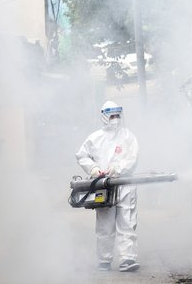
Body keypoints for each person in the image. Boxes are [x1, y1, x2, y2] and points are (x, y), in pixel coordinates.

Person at [75, 101, 140, 272]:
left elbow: (133, 158)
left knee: (127, 221)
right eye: (112, 116)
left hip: (125, 184)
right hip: (103, 186)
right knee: (105, 224)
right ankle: (104, 259)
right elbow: (82, 156)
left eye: (118, 115)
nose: (115, 119)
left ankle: (128, 258)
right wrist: (94, 168)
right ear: (104, 116)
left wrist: (118, 169)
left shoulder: (128, 136)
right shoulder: (95, 138)